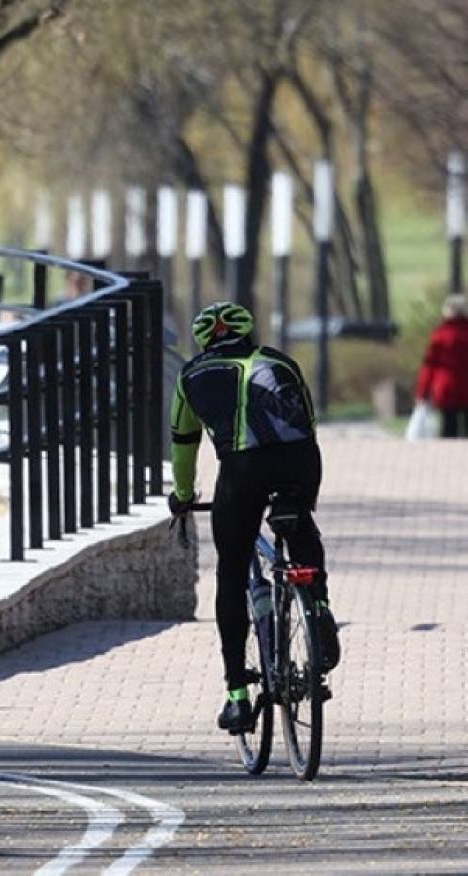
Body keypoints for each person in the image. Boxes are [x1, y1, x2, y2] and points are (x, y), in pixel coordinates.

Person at [167, 301, 340, 734]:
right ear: (247, 332)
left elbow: (184, 445)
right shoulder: (280, 361)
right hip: (300, 461)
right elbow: (308, 421)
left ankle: (237, 697)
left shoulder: (190, 376)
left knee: (231, 571)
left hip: (242, 470)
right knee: (300, 525)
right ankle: (319, 607)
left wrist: (183, 496)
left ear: (203, 341)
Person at [413, 293, 468, 438]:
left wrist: (422, 393)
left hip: (447, 388)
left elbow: (429, 366)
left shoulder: (440, 335)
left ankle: (449, 451)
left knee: (448, 428)